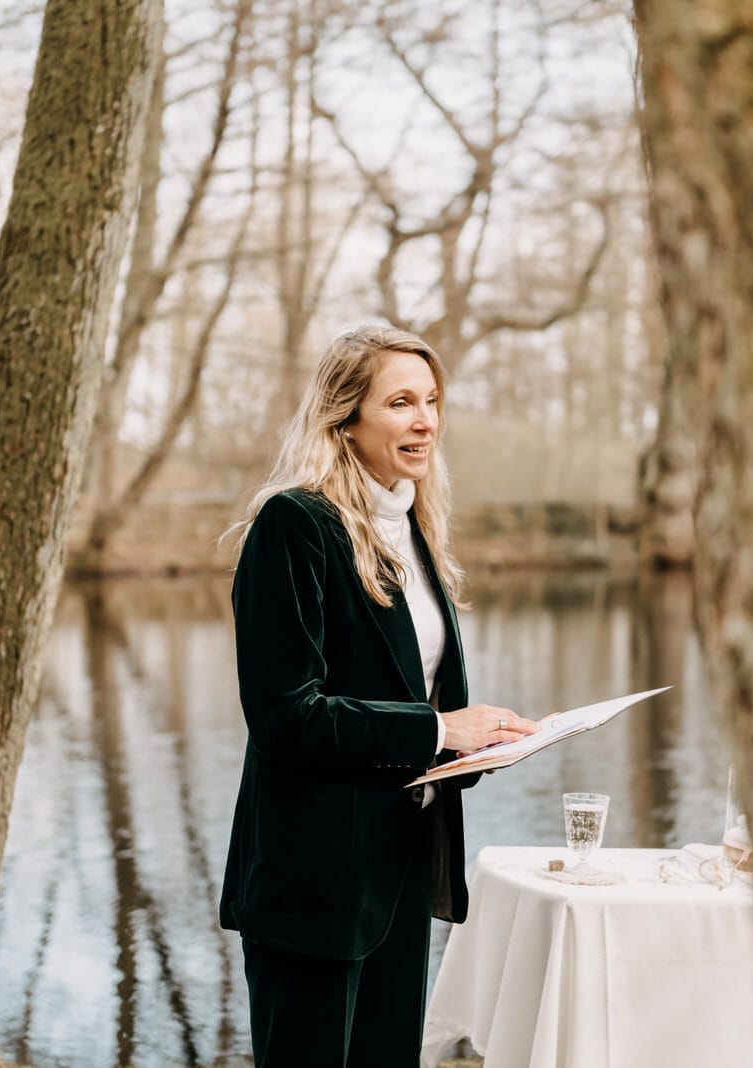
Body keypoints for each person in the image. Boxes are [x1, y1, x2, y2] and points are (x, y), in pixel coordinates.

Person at [218, 326, 540, 1067]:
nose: (426, 420)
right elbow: (284, 716)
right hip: (313, 886)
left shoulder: (411, 526)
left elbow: (415, 697)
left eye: (432, 401)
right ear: (345, 417)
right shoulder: (293, 527)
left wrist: (485, 741)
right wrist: (438, 731)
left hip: (399, 871)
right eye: (401, 402)